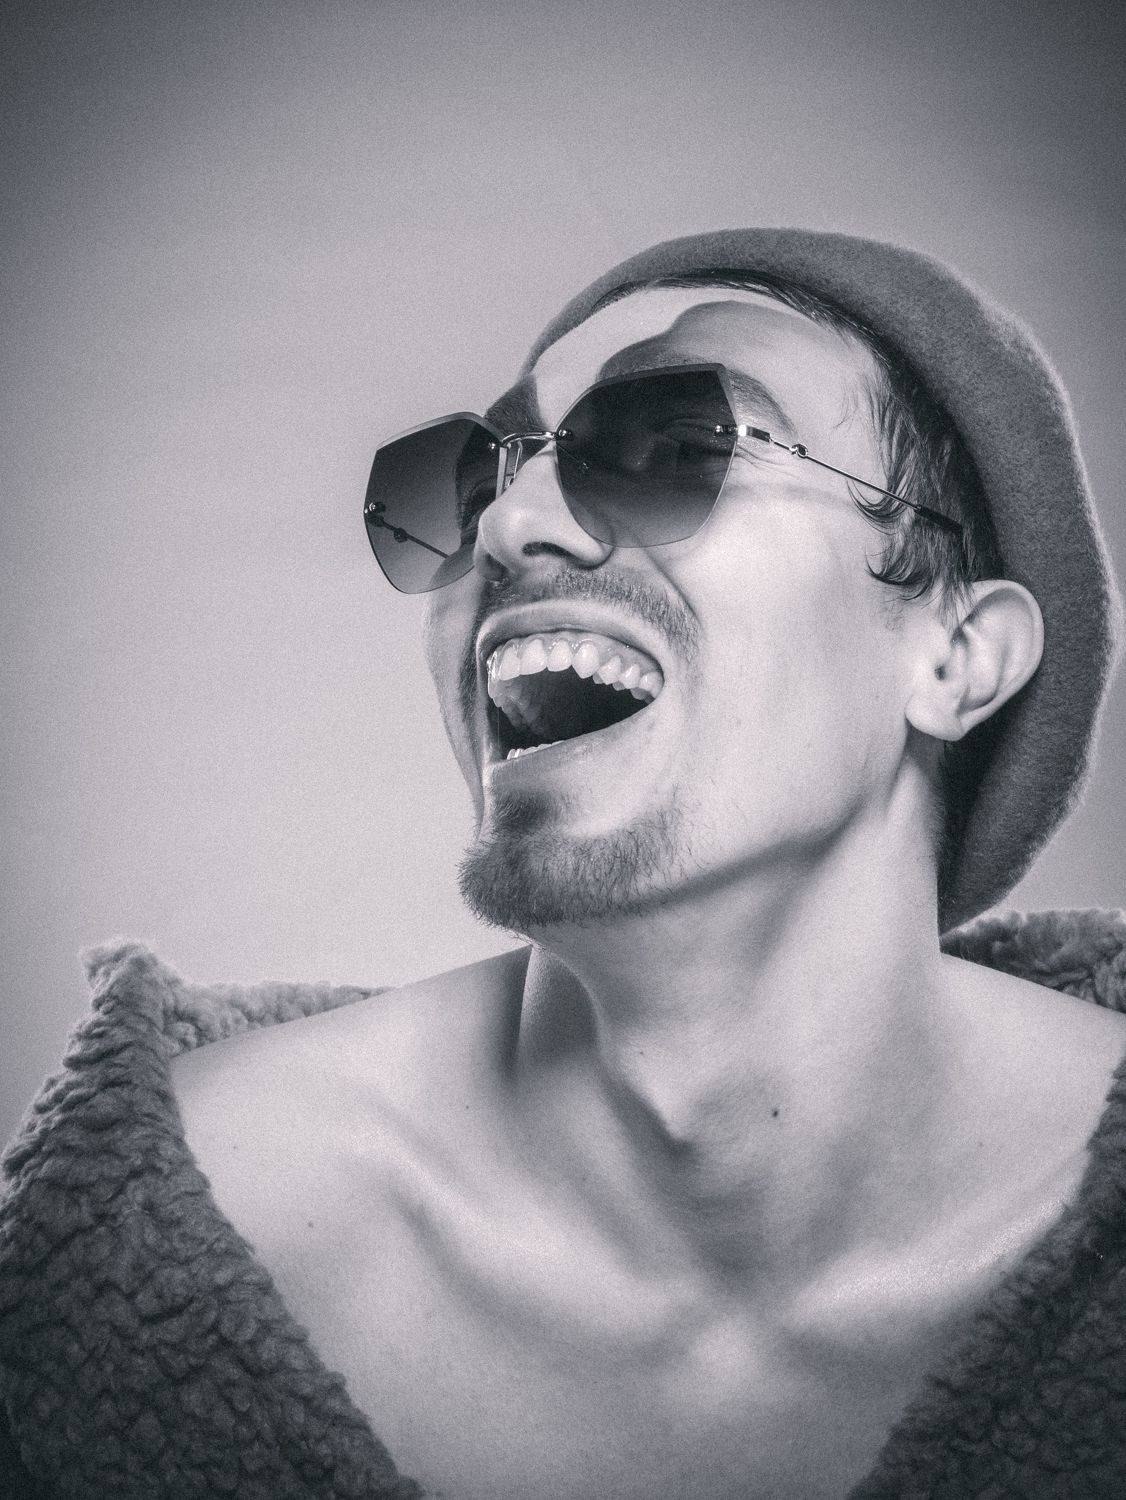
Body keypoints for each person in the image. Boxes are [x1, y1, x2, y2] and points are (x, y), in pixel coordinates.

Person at [2, 229, 1125, 1499]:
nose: (509, 525)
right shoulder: (187, 1226)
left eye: (676, 446)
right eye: (472, 484)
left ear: (956, 658)